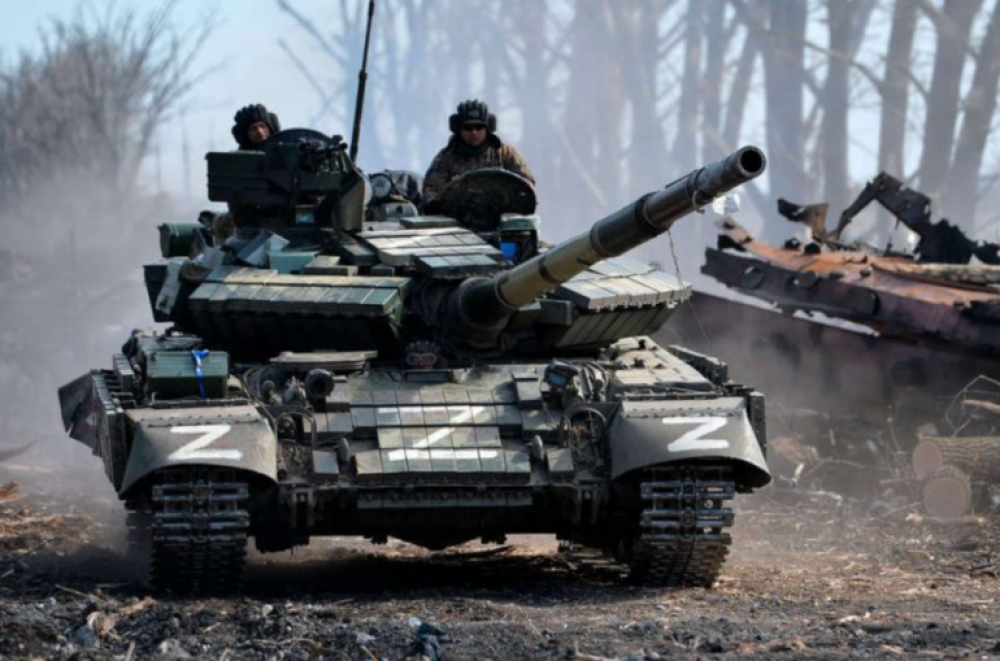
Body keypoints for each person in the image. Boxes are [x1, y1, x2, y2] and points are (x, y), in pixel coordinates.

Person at [422, 99, 535, 205]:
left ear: (488, 128)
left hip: (501, 213)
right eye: (468, 128)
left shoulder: (505, 154)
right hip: (459, 214)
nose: (474, 132)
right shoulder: (446, 157)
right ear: (458, 130)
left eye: (479, 127)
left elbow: (526, 184)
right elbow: (432, 190)